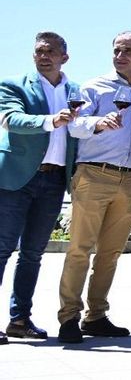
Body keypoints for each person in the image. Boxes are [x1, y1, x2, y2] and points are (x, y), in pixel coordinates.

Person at [61, 31, 131, 344]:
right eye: (117, 50)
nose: (120, 56)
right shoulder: (93, 87)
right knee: (79, 250)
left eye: (127, 51)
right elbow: (74, 125)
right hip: (93, 175)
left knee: (111, 253)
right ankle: (68, 318)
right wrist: (97, 123)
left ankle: (96, 316)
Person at [0, 32, 80, 342]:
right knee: (2, 250)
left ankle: (19, 320)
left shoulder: (76, 91)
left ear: (65, 56)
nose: (43, 56)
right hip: (17, 179)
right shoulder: (14, 85)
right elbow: (11, 119)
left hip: (54, 180)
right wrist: (50, 121)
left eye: (50, 51)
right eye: (38, 51)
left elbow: (82, 128)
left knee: (32, 254)